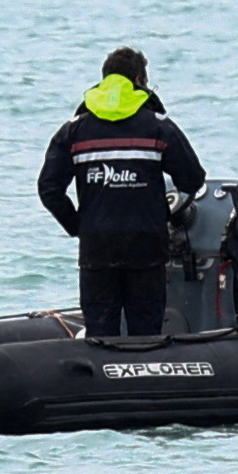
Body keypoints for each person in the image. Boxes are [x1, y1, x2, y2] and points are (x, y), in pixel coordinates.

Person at [36, 47, 206, 344]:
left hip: (97, 246)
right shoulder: (158, 127)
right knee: (146, 335)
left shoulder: (74, 131)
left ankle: (103, 384)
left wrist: (78, 225)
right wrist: (165, 212)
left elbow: (49, 188)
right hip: (146, 244)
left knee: (100, 336)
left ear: (104, 81)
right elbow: (193, 179)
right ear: (139, 80)